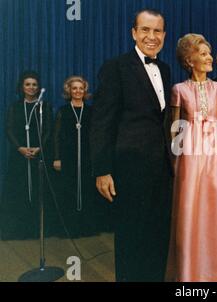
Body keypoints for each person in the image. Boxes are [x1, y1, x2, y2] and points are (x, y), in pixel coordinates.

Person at [89, 9, 173, 281]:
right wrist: (102, 170)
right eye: (145, 30)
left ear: (164, 35)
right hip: (129, 169)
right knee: (130, 239)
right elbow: (101, 121)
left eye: (157, 31)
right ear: (134, 33)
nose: (152, 36)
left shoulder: (165, 68)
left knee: (157, 237)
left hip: (160, 170)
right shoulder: (116, 67)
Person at [165, 34, 217, 282]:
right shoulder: (179, 89)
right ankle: (191, 270)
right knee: (192, 208)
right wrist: (176, 162)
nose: (209, 58)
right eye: (204, 54)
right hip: (192, 156)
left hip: (216, 152)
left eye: (210, 53)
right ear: (189, 59)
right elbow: (175, 129)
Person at [53, 76, 109, 237]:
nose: (77, 91)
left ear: (85, 91)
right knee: (69, 191)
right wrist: (57, 158)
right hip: (68, 157)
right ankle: (70, 229)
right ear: (69, 91)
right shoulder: (63, 111)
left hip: (87, 158)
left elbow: (97, 136)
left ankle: (87, 227)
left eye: (80, 88)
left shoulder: (91, 111)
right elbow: (56, 136)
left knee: (87, 190)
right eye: (74, 88)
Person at [0, 71, 53, 240]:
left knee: (39, 191)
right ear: (22, 87)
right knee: (18, 191)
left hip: (38, 154)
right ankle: (17, 231)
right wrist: (20, 148)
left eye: (34, 84)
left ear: (39, 87)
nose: (31, 87)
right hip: (19, 156)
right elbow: (8, 129)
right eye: (27, 84)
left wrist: (39, 148)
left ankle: (37, 230)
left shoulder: (44, 107)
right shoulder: (15, 107)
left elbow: (49, 130)